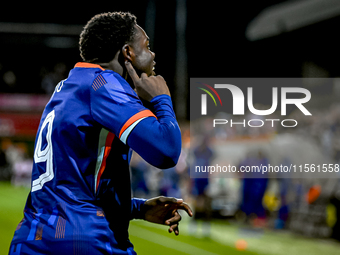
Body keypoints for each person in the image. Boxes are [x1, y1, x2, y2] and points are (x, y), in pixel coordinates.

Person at [9, 12, 192, 255]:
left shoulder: (66, 87)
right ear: (128, 52)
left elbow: (70, 186)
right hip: (85, 240)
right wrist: (162, 100)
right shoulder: (103, 84)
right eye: (147, 46)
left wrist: (137, 209)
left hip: (33, 239)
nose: (153, 55)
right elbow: (167, 151)